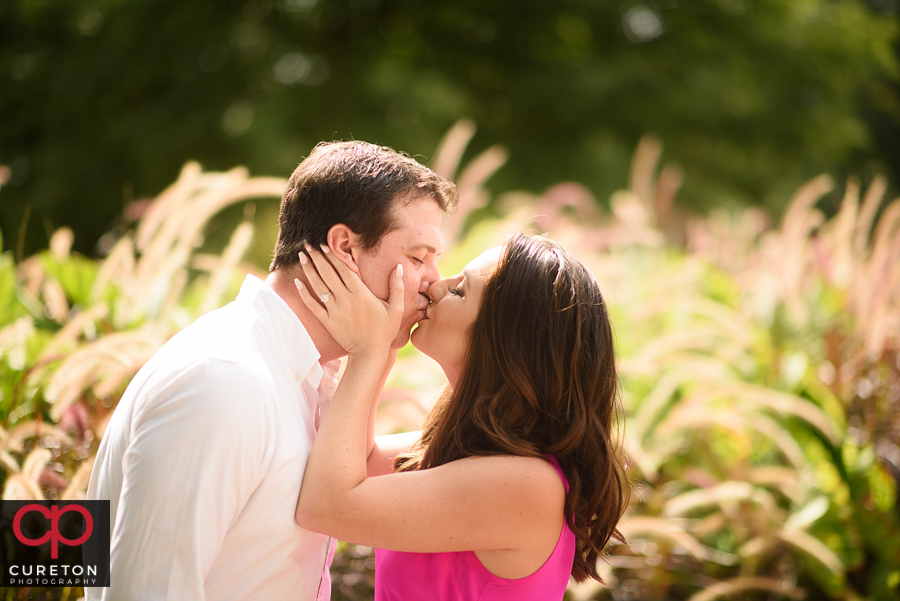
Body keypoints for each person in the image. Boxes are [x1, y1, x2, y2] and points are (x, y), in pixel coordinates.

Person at [85, 140, 458, 600]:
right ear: (345, 247)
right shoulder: (222, 382)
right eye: (419, 257)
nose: (433, 281)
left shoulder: (304, 377)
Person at [294, 232, 630, 600]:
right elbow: (361, 460)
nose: (437, 287)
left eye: (460, 292)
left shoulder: (527, 485)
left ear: (505, 341)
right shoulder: (466, 450)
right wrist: (384, 345)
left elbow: (325, 505)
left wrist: (366, 352)